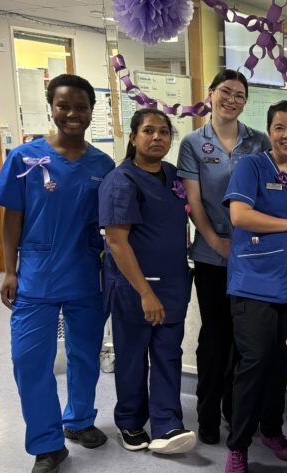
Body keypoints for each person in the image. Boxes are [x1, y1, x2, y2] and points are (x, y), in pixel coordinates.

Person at [0, 74, 114, 473]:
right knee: (28, 361)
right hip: (35, 277)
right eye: (64, 105)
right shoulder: (25, 157)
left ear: (92, 111)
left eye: (80, 106)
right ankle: (47, 443)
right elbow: (12, 218)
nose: (72, 114)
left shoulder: (102, 165)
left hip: (84, 274)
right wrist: (10, 271)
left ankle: (78, 420)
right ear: (51, 107)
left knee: (84, 355)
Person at [222, 100, 287, 472]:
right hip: (253, 283)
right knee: (255, 362)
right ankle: (238, 445)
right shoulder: (251, 166)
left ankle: (272, 430)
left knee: (282, 365)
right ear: (269, 132)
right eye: (279, 127)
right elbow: (240, 215)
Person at [177, 70, 270, 445]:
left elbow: (263, 197)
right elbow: (193, 200)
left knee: (242, 340)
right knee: (214, 339)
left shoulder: (258, 142)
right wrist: (216, 243)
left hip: (250, 257)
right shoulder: (193, 143)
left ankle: (236, 414)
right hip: (212, 257)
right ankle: (207, 416)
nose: (232, 100)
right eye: (225, 92)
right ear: (210, 93)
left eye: (240, 95)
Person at [99, 108, 196, 454]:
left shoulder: (172, 176)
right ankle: (129, 420)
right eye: (149, 131)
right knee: (132, 355)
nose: (157, 138)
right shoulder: (121, 181)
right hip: (134, 288)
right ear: (133, 137)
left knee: (168, 353)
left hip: (172, 282)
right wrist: (145, 292)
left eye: (164, 132)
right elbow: (116, 241)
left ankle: (168, 423)